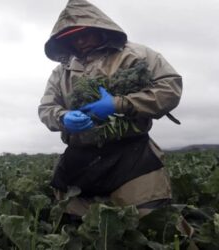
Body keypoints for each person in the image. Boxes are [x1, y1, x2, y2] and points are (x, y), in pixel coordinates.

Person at [38, 0, 182, 218]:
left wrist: (119, 103)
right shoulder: (62, 72)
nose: (80, 40)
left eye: (84, 32)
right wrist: (63, 117)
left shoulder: (136, 55)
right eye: (72, 37)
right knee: (81, 230)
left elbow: (169, 89)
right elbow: (46, 107)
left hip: (131, 157)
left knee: (151, 223)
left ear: (99, 27)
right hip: (81, 159)